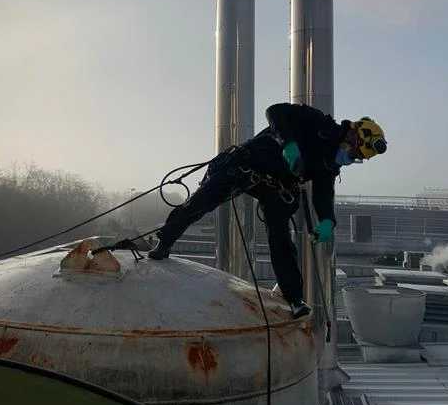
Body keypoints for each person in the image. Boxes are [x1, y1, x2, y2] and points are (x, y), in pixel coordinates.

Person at [148, 102, 387, 319]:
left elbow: (324, 193)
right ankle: (165, 241)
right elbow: (275, 111)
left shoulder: (329, 164)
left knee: (281, 238)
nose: (351, 157)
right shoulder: (318, 122)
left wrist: (327, 220)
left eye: (357, 158)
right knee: (201, 203)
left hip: (277, 188)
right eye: (355, 152)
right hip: (246, 165)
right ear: (353, 134)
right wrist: (289, 143)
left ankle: (295, 299)